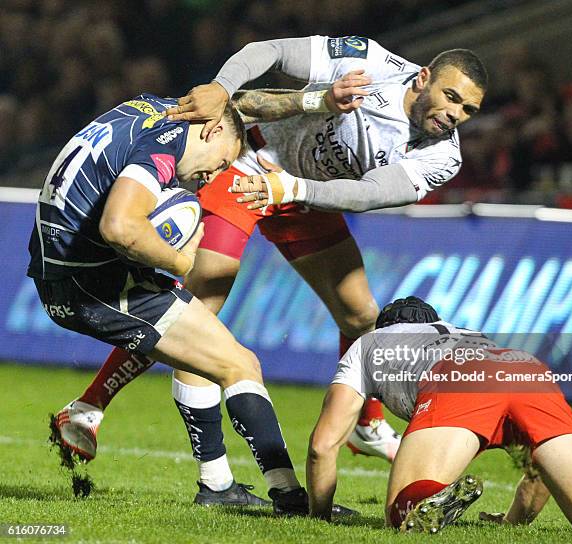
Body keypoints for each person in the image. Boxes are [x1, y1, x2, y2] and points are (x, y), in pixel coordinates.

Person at [54, 35, 487, 506]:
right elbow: (272, 52)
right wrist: (223, 87)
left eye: (468, 110)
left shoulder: (444, 155)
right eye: (451, 97)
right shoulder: (369, 61)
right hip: (246, 167)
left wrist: (292, 189)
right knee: (199, 311)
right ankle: (97, 410)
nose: (455, 115)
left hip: (304, 193)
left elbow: (369, 194)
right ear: (423, 78)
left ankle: (366, 425)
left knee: (361, 316)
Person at [28, 93, 351, 515]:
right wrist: (183, 259)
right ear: (211, 131)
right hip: (88, 282)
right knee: (237, 365)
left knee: (237, 362)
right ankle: (291, 501)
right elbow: (120, 225)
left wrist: (317, 99)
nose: (212, 175)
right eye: (219, 163)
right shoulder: (164, 146)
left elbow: (243, 103)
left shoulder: (152, 109)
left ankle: (220, 485)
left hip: (70, 270)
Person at [306, 296, 572, 533]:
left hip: (458, 376)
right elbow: (541, 470)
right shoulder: (463, 331)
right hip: (526, 369)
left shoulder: (369, 343)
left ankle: (429, 496)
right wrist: (511, 523)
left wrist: (318, 517)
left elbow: (323, 446)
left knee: (403, 513)